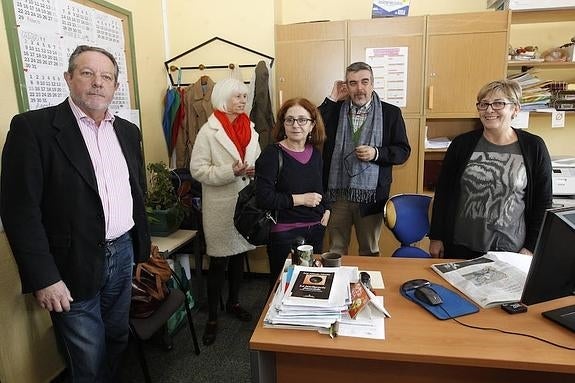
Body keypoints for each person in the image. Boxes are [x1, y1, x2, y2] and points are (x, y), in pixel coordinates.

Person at [0, 45, 150, 382]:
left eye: (106, 76)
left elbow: (134, 193)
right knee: (87, 355)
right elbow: (19, 211)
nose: (98, 82)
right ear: (69, 78)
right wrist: (44, 278)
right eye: (87, 73)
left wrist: (140, 250)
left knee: (116, 339)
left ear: (115, 86)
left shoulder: (127, 132)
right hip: (70, 263)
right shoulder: (33, 129)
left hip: (122, 251)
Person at [428, 79, 553, 259]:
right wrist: (436, 237)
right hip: (460, 245)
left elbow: (543, 202)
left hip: (511, 251)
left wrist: (532, 247)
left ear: (515, 109)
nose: (489, 110)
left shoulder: (534, 147)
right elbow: (444, 193)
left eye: (498, 104)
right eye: (483, 104)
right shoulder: (462, 144)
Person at [190, 77, 260, 346]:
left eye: (244, 96)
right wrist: (228, 171)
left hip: (245, 205)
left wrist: (253, 170)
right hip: (219, 206)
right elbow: (197, 170)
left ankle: (234, 302)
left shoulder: (251, 128)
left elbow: (258, 158)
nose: (243, 101)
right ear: (223, 99)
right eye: (238, 97)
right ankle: (212, 317)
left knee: (239, 255)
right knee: (219, 261)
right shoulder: (208, 132)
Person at [320, 61, 411, 256]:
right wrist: (332, 97)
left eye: (364, 81)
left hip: (371, 196)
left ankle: (367, 285)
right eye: (353, 83)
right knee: (335, 249)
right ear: (346, 86)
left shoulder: (390, 113)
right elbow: (313, 128)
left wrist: (376, 153)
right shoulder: (335, 110)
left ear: (372, 84)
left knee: (369, 250)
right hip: (337, 194)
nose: (359, 88)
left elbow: (403, 151)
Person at [255, 98, 330, 286]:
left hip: (315, 230)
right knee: (283, 286)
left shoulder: (316, 154)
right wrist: (301, 199)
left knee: (312, 284)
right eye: (289, 120)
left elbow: (322, 188)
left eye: (302, 120)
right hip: (284, 233)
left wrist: (327, 209)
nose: (295, 125)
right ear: (283, 124)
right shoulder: (272, 154)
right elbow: (263, 198)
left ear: (312, 124)